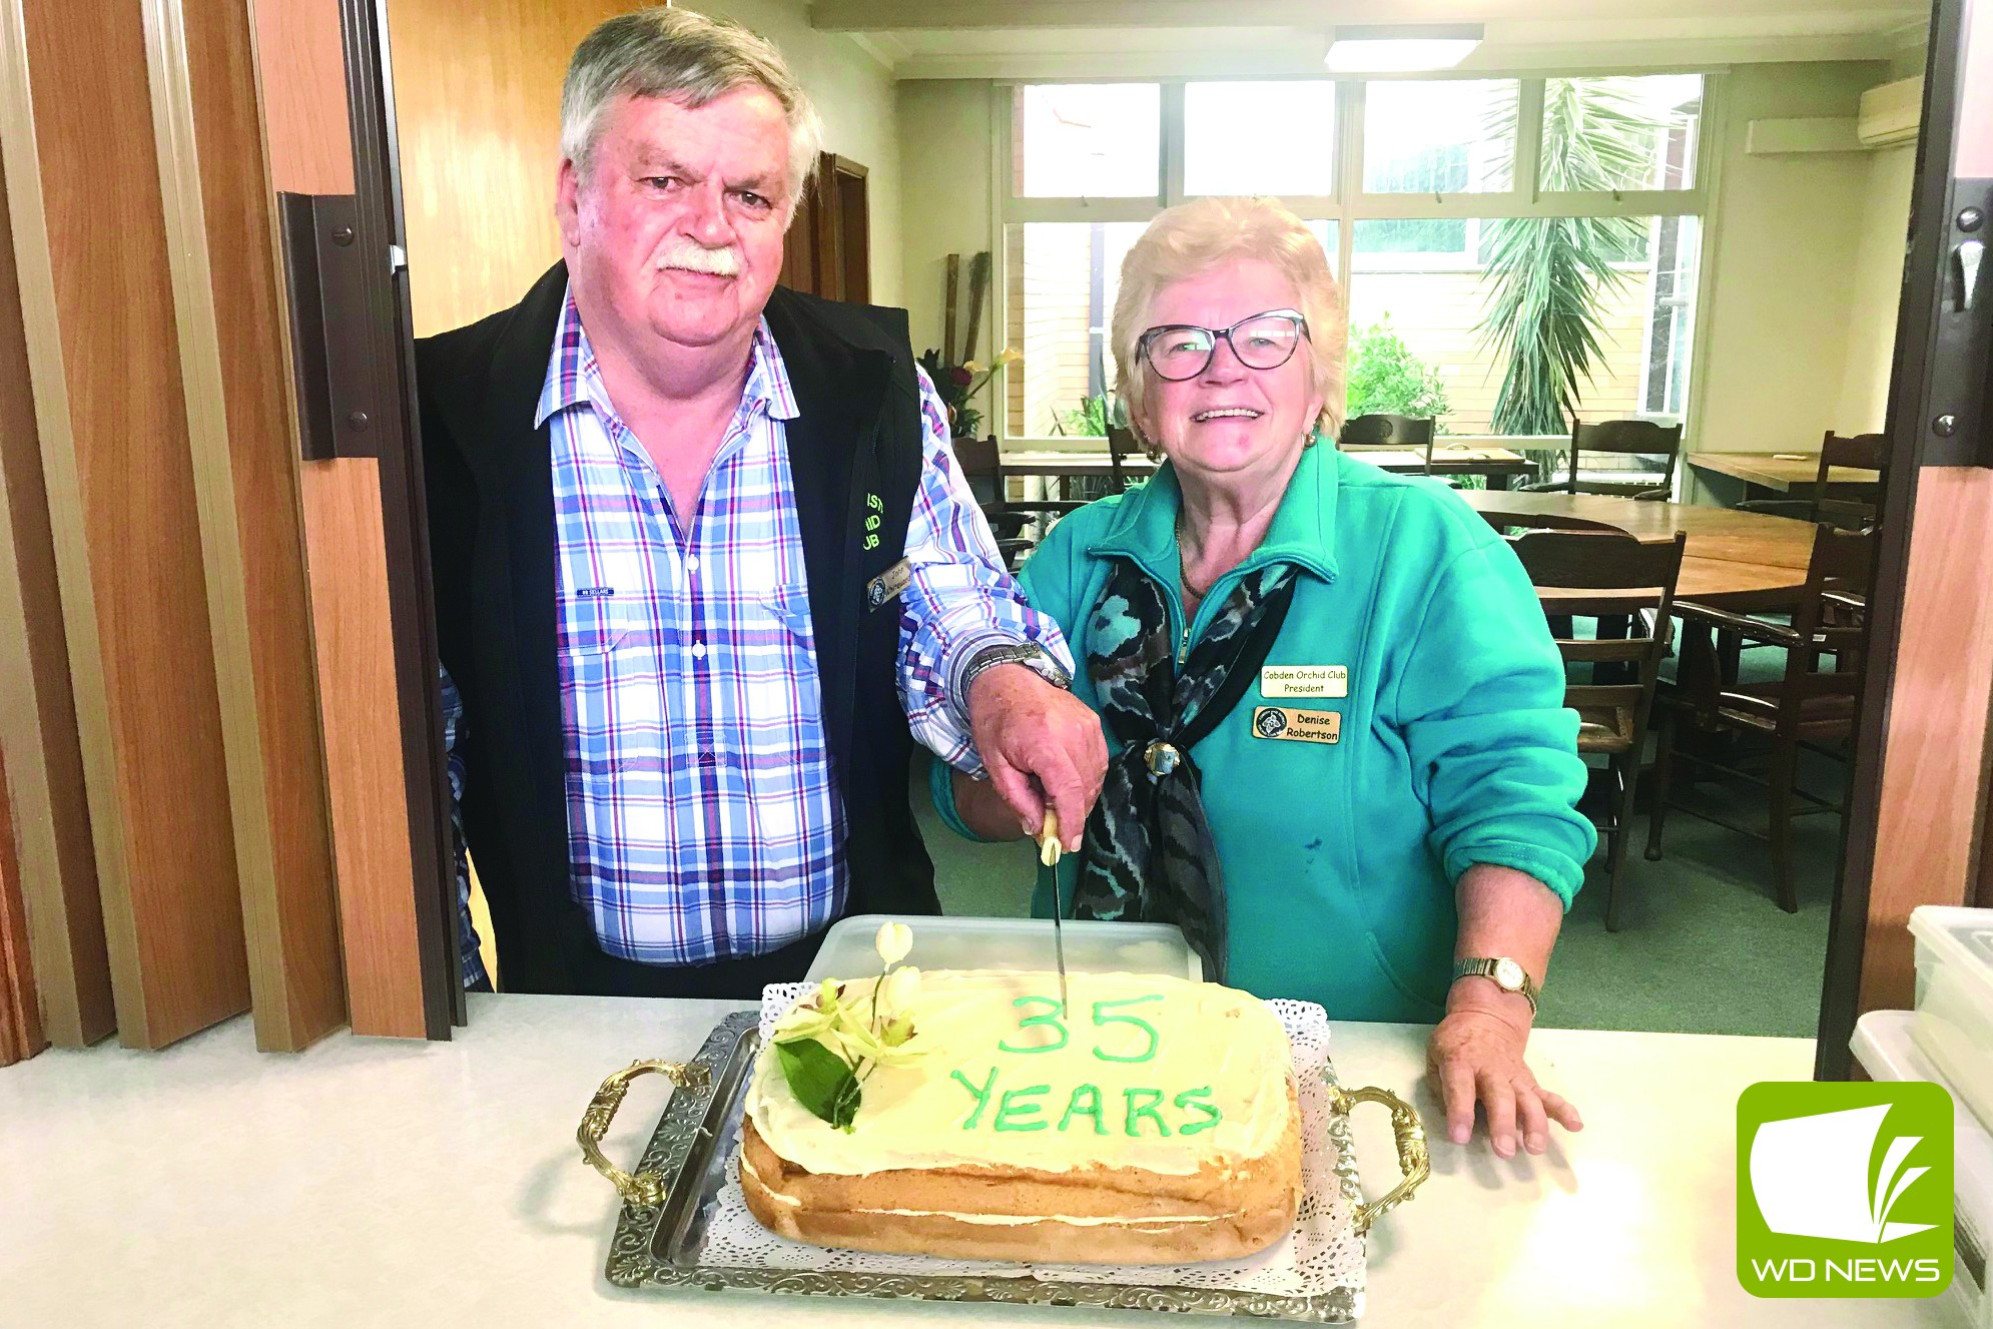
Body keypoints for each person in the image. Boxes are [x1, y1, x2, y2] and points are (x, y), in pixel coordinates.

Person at [419, 9, 1104, 998]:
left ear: (785, 216)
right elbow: (406, 773)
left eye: (750, 193)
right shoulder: (443, 416)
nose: (710, 227)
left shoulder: (871, 390)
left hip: (863, 986)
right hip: (569, 1007)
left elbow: (954, 597)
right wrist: (454, 1012)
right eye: (664, 181)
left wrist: (1005, 683)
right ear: (574, 199)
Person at [935, 196, 1597, 1158]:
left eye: (1263, 336)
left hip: (1348, 1059)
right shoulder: (1075, 557)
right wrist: (1013, 775)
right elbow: (957, 790)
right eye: (1180, 342)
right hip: (1098, 1063)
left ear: (1319, 369)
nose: (1222, 369)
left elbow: (1515, 798)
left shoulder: (1422, 546)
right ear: (1138, 385)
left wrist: (1490, 1011)